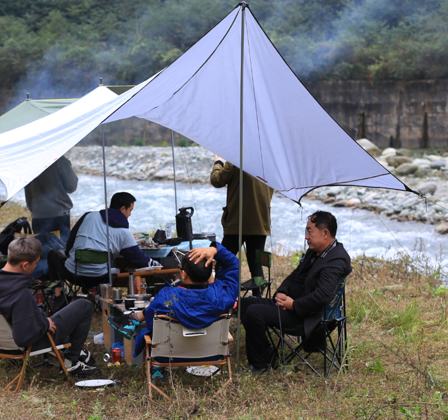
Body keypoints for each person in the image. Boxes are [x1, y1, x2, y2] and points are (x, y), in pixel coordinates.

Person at [240, 210, 351, 374]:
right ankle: (266, 352)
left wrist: (294, 305)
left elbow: (322, 296)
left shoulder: (336, 259)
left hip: (307, 315)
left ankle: (258, 365)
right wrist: (282, 292)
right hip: (292, 304)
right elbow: (295, 275)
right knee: (246, 303)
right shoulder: (316, 251)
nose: (306, 236)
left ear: (325, 233)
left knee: (254, 312)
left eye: (309, 231)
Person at [0, 235, 100, 377]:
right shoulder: (20, 294)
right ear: (25, 265)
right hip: (22, 345)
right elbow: (24, 337)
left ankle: (76, 351)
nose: (35, 267)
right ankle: (73, 362)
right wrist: (44, 324)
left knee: (47, 315)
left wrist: (41, 318)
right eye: (35, 264)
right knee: (83, 305)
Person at [110, 242, 239, 358]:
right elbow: (234, 265)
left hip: (171, 355)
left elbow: (152, 320)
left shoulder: (169, 297)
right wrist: (215, 250)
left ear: (183, 274)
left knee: (153, 313)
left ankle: (133, 320)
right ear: (210, 272)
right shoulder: (223, 294)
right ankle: (133, 319)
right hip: (213, 354)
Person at [53, 192, 160, 288]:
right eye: (130, 210)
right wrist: (156, 264)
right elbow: (138, 258)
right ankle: (101, 296)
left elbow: (70, 245)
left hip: (73, 274)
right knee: (113, 262)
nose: (130, 214)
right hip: (100, 277)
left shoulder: (89, 216)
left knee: (53, 254)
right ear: (123, 209)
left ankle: (58, 294)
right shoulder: (124, 232)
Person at [210, 155, 273, 296]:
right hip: (259, 222)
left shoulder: (238, 157)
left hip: (237, 223)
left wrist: (218, 163)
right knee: (256, 266)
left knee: (222, 261)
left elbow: (217, 180)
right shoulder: (268, 162)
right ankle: (258, 299)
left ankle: (220, 297)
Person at [24, 156, 78, 241]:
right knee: (61, 250)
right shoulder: (58, 159)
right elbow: (71, 186)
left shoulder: (29, 160)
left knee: (42, 250)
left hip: (37, 214)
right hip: (59, 214)